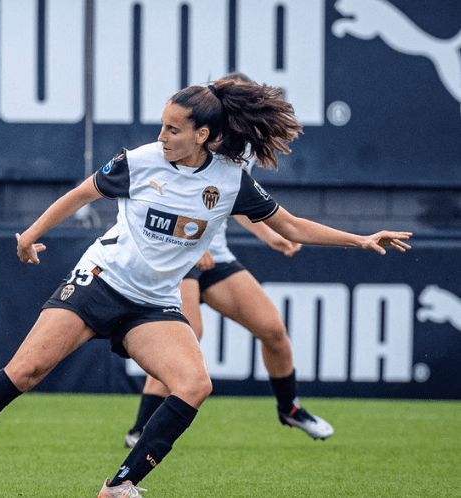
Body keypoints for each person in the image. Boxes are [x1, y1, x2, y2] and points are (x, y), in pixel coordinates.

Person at [0, 78, 411, 497]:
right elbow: (79, 195)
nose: (162, 136)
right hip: (102, 282)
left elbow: (292, 226)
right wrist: (29, 235)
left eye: (173, 129)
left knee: (195, 384)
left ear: (205, 136)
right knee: (24, 371)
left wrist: (361, 240)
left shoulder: (231, 181)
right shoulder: (139, 161)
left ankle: (119, 486)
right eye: (161, 125)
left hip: (155, 303)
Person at [124, 72, 332, 447]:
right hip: (180, 256)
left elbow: (232, 203)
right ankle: (140, 428)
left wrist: (270, 235)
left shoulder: (235, 150)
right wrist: (193, 245)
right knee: (187, 335)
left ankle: (290, 408)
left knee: (272, 330)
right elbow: (168, 199)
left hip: (215, 256)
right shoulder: (191, 138)